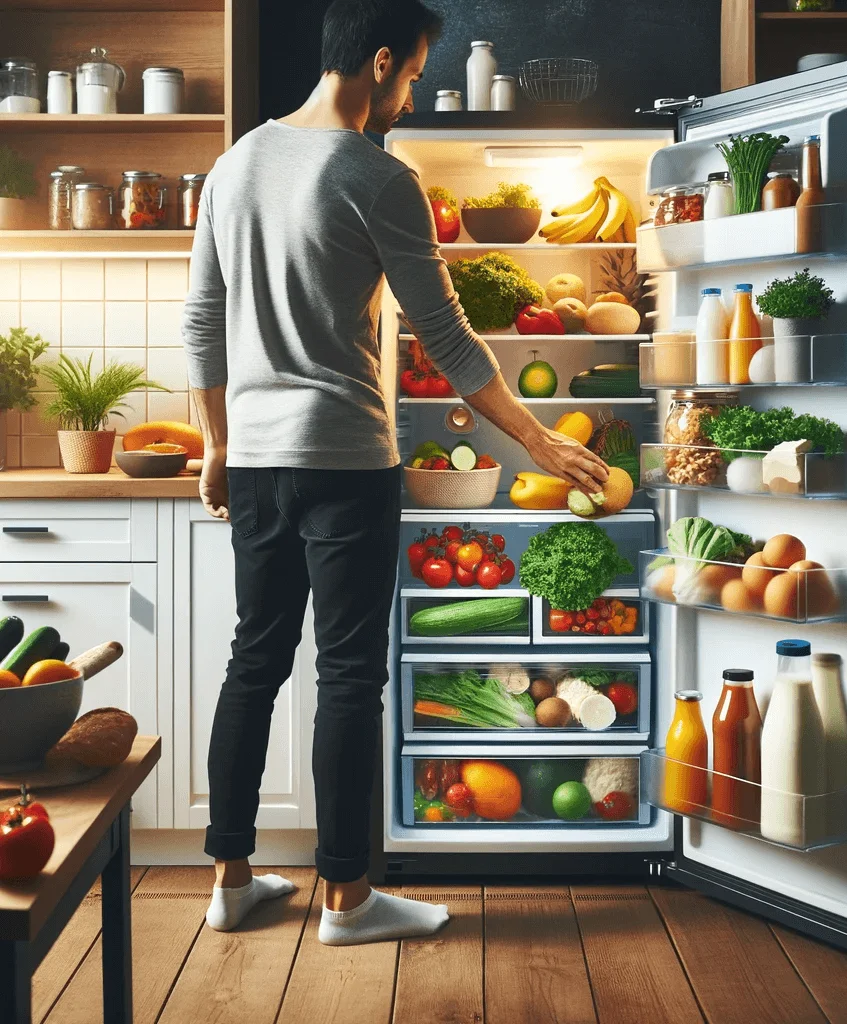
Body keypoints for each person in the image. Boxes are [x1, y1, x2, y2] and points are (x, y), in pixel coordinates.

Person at [181, 0, 609, 947]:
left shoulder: (235, 163)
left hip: (253, 462)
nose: (410, 95)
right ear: (378, 63)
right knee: (346, 678)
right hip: (341, 461)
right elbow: (450, 342)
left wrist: (214, 444)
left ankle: (230, 879)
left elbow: (202, 322)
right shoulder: (379, 178)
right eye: (412, 75)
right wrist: (537, 443)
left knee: (253, 664)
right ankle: (346, 898)